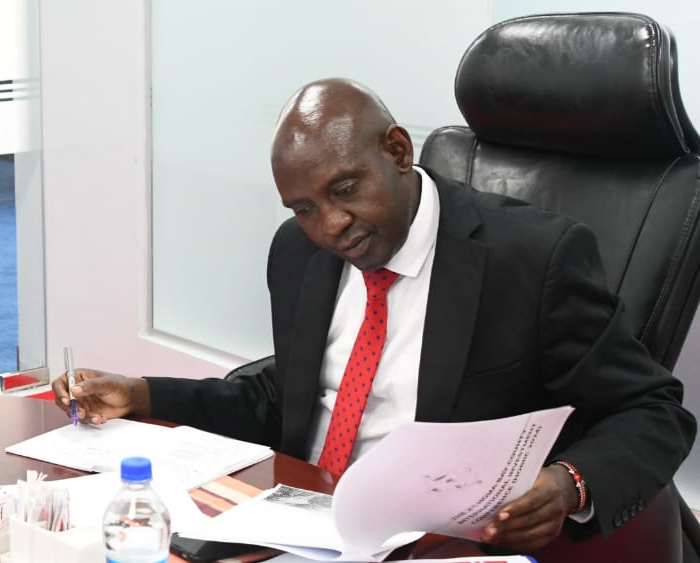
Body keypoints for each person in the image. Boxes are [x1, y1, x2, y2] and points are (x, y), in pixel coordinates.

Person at [53, 78, 696, 552]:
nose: (330, 226)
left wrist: (569, 483)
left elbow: (655, 411)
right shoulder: (297, 253)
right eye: (302, 207)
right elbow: (296, 396)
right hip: (297, 522)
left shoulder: (534, 260)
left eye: (344, 190)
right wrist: (143, 394)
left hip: (440, 541)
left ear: (396, 150)